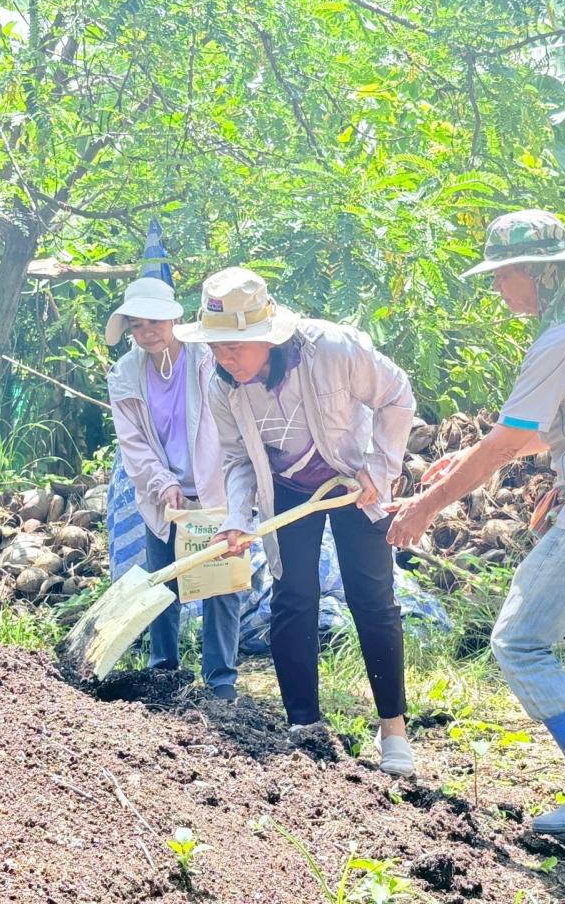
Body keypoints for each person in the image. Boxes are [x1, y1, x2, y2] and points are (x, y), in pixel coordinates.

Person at [387, 210, 565, 860]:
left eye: (503, 277)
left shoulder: (564, 338)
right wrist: (468, 458)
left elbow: (511, 440)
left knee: (518, 642)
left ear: (537, 273)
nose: (499, 292)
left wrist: (424, 507)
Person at [174, 266, 418, 776]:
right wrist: (237, 518)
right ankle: (303, 726)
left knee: (371, 596)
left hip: (353, 482)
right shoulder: (222, 384)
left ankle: (393, 728)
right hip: (283, 485)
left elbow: (397, 396)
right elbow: (239, 458)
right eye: (217, 347)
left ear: (268, 337)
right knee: (292, 597)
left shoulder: (333, 349)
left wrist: (379, 467)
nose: (225, 357)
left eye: (236, 346)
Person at [106, 277, 241, 701]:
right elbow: (134, 443)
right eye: (137, 325)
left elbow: (232, 419)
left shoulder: (207, 358)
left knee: (223, 581)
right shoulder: (125, 374)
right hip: (164, 497)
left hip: (216, 487)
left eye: (156, 321)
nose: (148, 331)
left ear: (176, 317)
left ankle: (221, 680)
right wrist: (162, 483)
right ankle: (164, 672)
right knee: (164, 582)